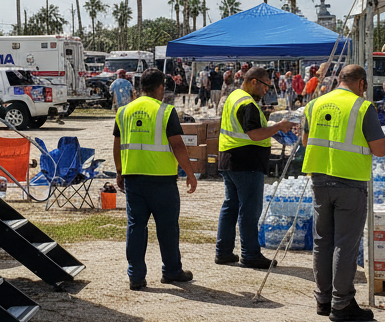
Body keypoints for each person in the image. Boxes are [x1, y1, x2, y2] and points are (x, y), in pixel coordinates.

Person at [301, 64, 385, 322]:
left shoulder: (315, 104)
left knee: (322, 241)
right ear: (362, 83)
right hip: (349, 181)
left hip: (319, 179)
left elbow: (306, 142)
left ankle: (324, 299)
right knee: (345, 245)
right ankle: (342, 303)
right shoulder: (362, 107)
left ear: (339, 79)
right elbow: (380, 149)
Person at [112, 69, 198, 290]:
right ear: (160, 87)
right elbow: (177, 145)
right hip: (161, 180)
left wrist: (120, 171)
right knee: (167, 227)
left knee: (136, 226)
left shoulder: (124, 111)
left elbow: (117, 145)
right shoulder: (166, 111)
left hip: (133, 179)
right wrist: (189, 172)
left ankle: (136, 277)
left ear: (141, 87)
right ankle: (171, 271)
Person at [216, 67, 296, 269]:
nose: (266, 91)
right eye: (265, 86)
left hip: (229, 159)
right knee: (249, 211)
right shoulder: (247, 103)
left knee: (231, 206)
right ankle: (250, 254)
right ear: (254, 82)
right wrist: (278, 127)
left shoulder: (235, 96)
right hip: (246, 163)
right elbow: (254, 134)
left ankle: (223, 251)